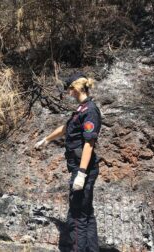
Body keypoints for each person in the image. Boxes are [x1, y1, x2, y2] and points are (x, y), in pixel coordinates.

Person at [34, 73, 101, 251]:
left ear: (77, 87)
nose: (68, 92)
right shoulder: (81, 109)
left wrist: (81, 173)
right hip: (80, 168)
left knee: (76, 216)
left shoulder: (90, 110)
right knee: (86, 214)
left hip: (83, 169)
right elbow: (66, 128)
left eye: (69, 88)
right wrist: (46, 140)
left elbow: (89, 144)